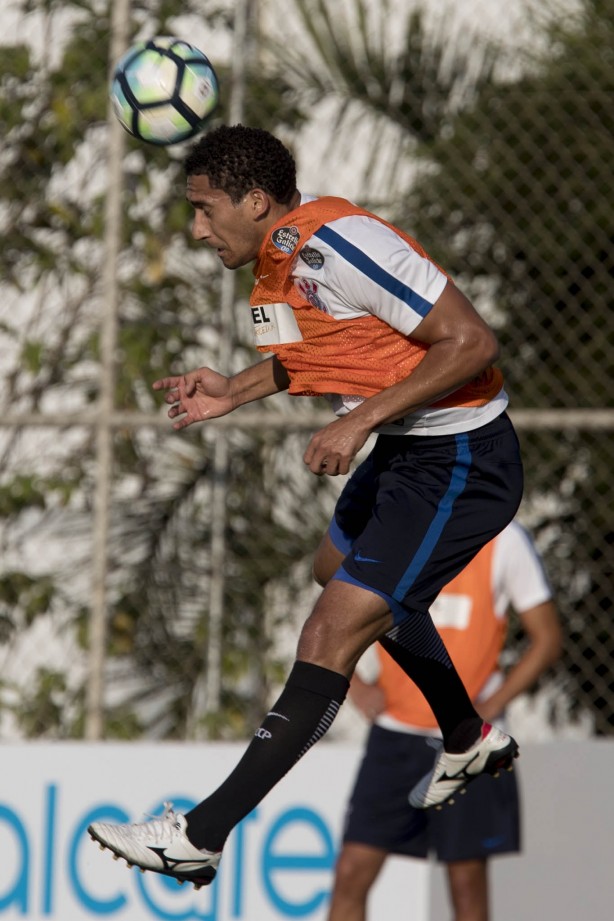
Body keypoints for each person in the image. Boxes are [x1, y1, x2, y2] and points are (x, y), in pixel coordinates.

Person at [88, 124, 525, 889]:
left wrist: (356, 419)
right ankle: (466, 731)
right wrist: (234, 386)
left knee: (331, 631)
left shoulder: (343, 241)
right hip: (407, 448)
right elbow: (314, 356)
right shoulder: (279, 257)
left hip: (461, 458)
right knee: (335, 568)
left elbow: (471, 341)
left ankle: (200, 832)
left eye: (204, 208)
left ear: (256, 201)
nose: (195, 228)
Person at [327, 519, 562, 921]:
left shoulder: (504, 539)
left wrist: (493, 704)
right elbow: (335, 614)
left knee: (465, 884)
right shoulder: (395, 523)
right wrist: (359, 686)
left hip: (465, 743)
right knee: (351, 872)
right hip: (395, 738)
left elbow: (547, 638)